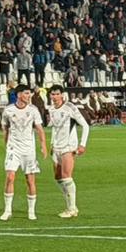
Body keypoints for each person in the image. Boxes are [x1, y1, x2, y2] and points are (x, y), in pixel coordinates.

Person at [0, 84, 48, 221]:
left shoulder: (33, 110)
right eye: (26, 93)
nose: (29, 96)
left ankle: (31, 211)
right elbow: (5, 128)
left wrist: (43, 145)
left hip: (28, 150)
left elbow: (39, 128)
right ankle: (7, 210)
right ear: (19, 94)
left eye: (29, 93)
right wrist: (6, 144)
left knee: (30, 180)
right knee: (10, 177)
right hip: (13, 149)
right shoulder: (8, 110)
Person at [45, 85, 91, 218]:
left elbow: (85, 125)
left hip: (68, 146)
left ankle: (72, 208)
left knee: (66, 176)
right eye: (52, 94)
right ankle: (70, 206)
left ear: (62, 95)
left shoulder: (70, 107)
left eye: (56, 94)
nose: (54, 97)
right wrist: (52, 143)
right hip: (57, 146)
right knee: (58, 177)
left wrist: (82, 144)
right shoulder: (52, 109)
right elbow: (54, 127)